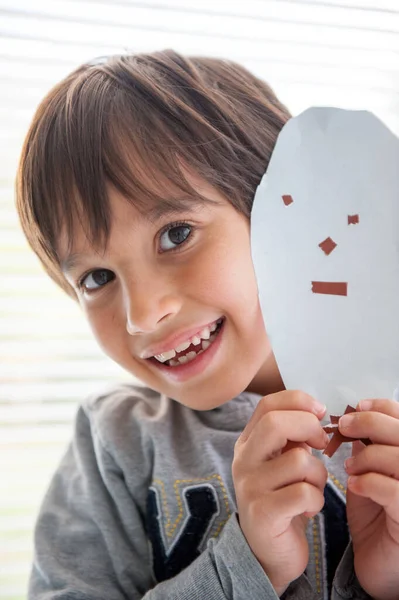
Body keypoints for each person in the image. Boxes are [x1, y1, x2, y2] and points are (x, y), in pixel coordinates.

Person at [15, 50, 399, 600]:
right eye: (98, 277)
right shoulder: (116, 446)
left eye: (176, 234)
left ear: (282, 212)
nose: (143, 314)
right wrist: (247, 565)